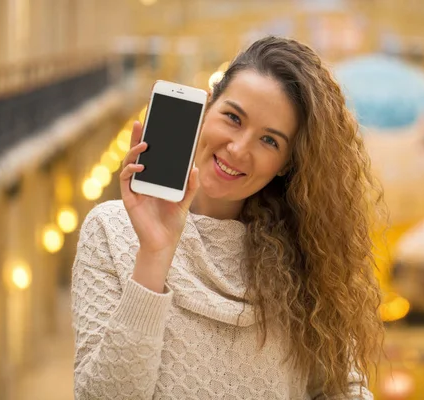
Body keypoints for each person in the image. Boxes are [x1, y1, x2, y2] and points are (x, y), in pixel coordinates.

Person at [71, 36, 385, 399]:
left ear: (287, 165)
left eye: (269, 141)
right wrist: (154, 255)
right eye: (233, 118)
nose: (238, 149)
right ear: (206, 110)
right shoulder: (110, 231)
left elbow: (343, 387)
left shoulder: (305, 256)